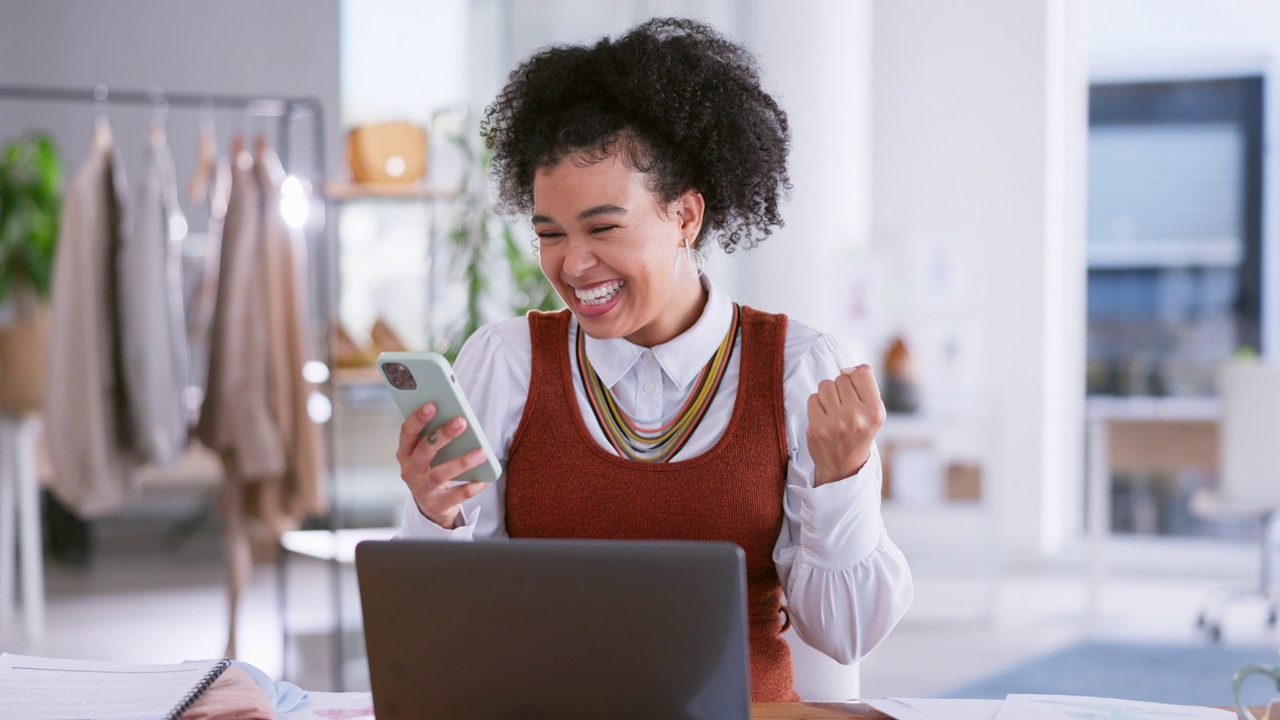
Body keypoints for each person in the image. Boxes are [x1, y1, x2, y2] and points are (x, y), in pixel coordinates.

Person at [395, 17, 913, 702]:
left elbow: (844, 635)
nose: (573, 264)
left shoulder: (799, 369)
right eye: (550, 234)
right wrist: (434, 516)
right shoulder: (506, 362)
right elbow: (439, 625)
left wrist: (844, 480)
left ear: (685, 217)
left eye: (604, 228)